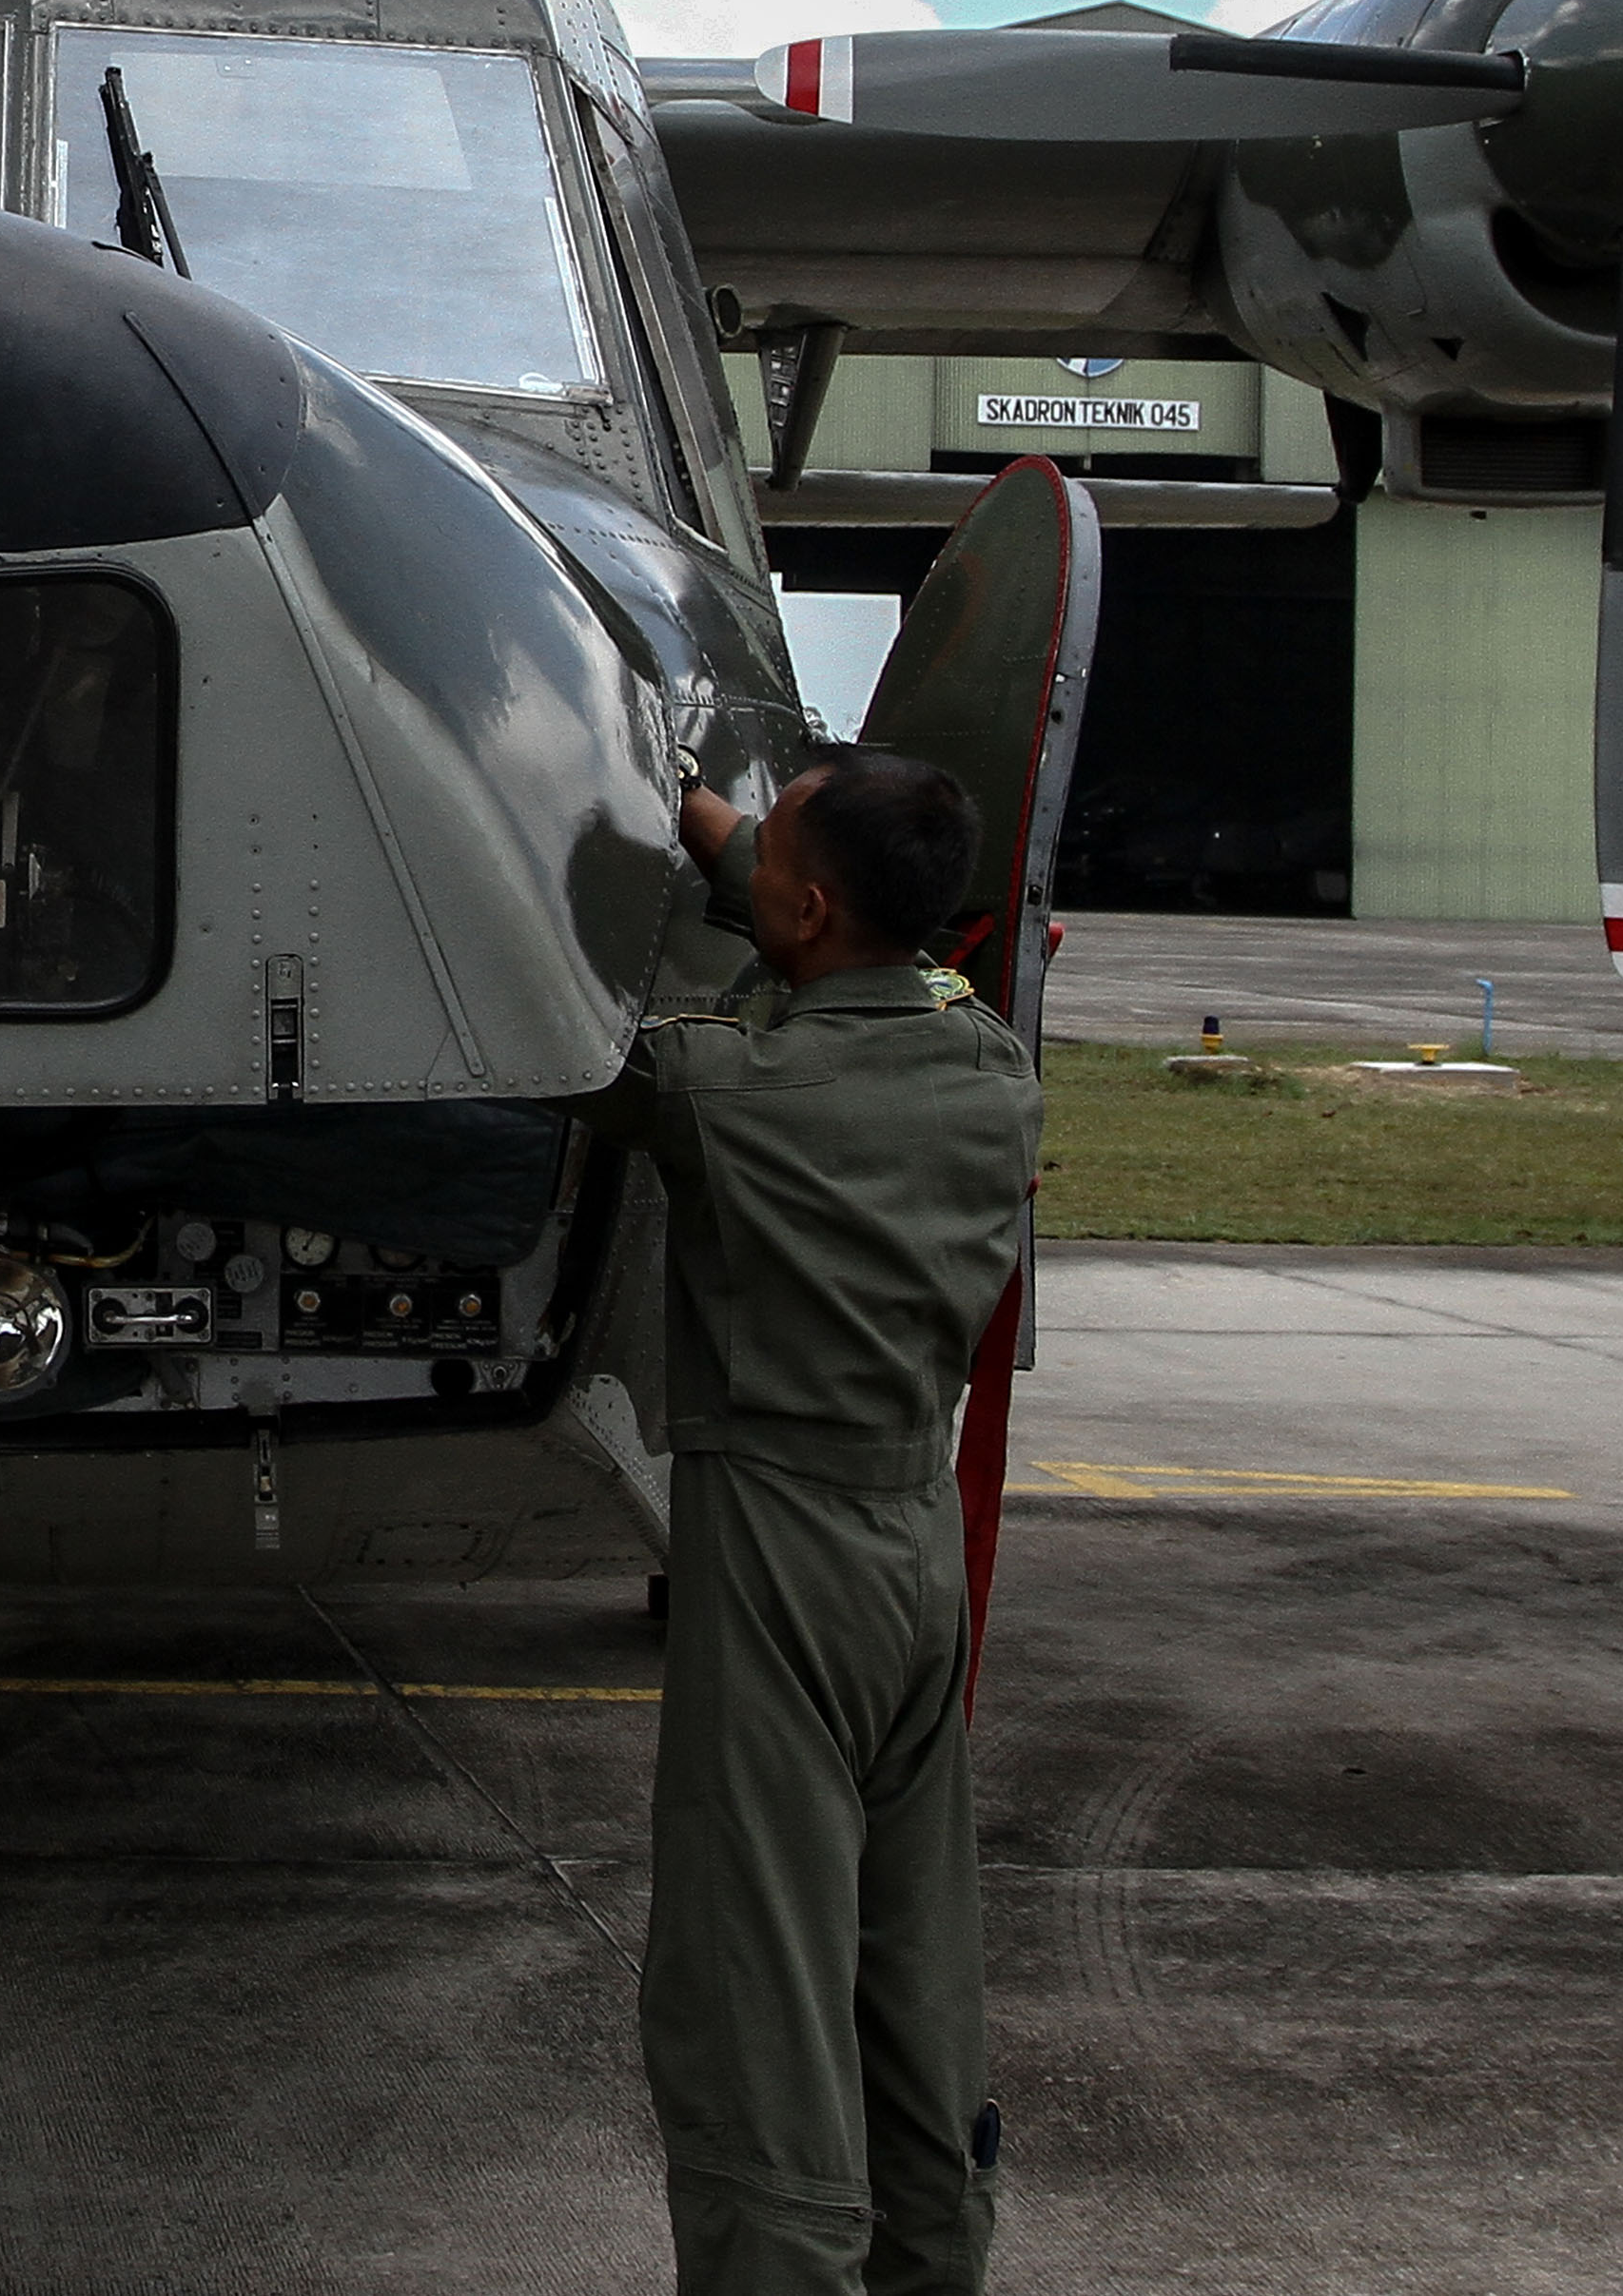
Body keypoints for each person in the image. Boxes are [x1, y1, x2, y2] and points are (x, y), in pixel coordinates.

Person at [573, 742, 1043, 2296]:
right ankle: (935, 2259)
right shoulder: (988, 1068)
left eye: (767, 854)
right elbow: (819, 941)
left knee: (752, 1987)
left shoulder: (718, 1087)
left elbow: (571, 1037)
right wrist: (719, 823)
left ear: (813, 906)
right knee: (914, 1975)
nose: (748, 860)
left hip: (783, 1548)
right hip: (915, 1553)